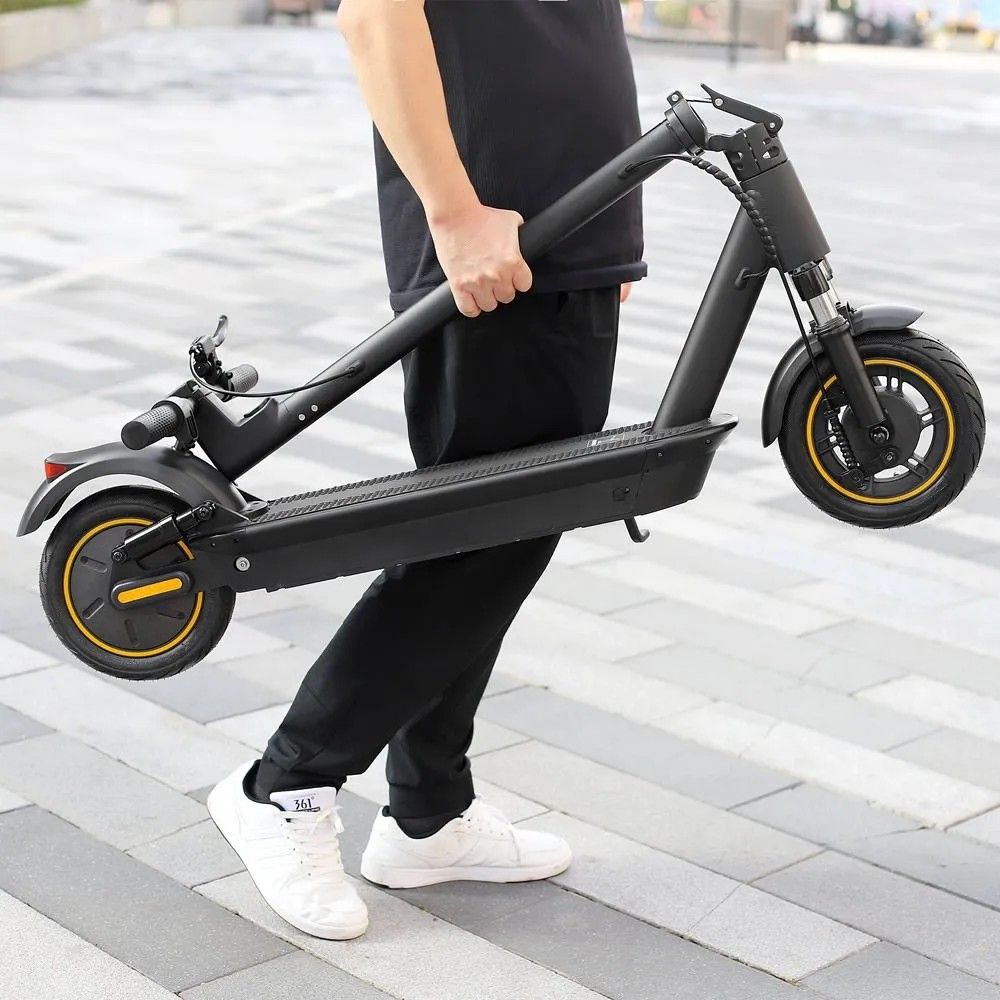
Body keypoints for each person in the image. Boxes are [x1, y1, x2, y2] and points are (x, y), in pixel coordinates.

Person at [207, 0, 645, 941]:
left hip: (560, 229)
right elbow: (375, 16)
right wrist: (453, 214)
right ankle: (284, 785)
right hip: (491, 237)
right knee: (481, 538)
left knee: (496, 530)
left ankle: (430, 810)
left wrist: (609, 222)